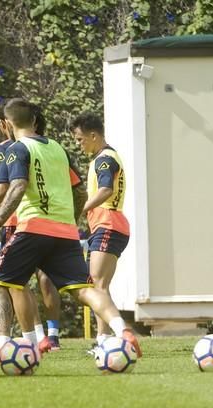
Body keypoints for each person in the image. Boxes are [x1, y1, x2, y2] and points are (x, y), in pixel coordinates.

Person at [0, 98, 142, 359]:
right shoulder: (58, 149)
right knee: (86, 289)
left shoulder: (18, 148)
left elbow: (16, 187)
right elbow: (79, 192)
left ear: (7, 124)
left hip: (32, 229)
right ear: (34, 121)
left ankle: (1, 346)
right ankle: (123, 332)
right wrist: (71, 220)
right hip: (65, 232)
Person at [0, 103, 80, 362]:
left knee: (4, 283)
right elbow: (76, 186)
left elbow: (6, 187)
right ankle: (39, 339)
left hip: (20, 223)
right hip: (51, 223)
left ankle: (8, 343)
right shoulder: (52, 148)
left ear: (4, 124)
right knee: (30, 283)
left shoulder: (10, 149)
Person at [71, 113, 130, 348]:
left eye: (79, 139)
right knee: (98, 285)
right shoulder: (103, 157)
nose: (78, 144)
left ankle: (109, 339)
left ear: (93, 135)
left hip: (109, 224)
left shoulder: (105, 159)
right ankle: (106, 338)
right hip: (108, 225)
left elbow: (105, 190)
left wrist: (80, 209)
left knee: (96, 285)